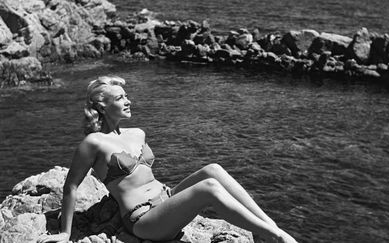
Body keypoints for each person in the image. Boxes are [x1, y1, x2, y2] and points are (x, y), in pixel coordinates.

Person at [37, 76, 298, 243]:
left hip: (167, 197)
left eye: (126, 96)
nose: (128, 101)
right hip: (144, 221)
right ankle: (276, 236)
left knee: (213, 170)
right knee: (209, 188)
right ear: (102, 106)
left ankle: (273, 228)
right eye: (120, 98)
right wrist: (65, 233)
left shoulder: (137, 132)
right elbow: (71, 187)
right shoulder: (93, 143)